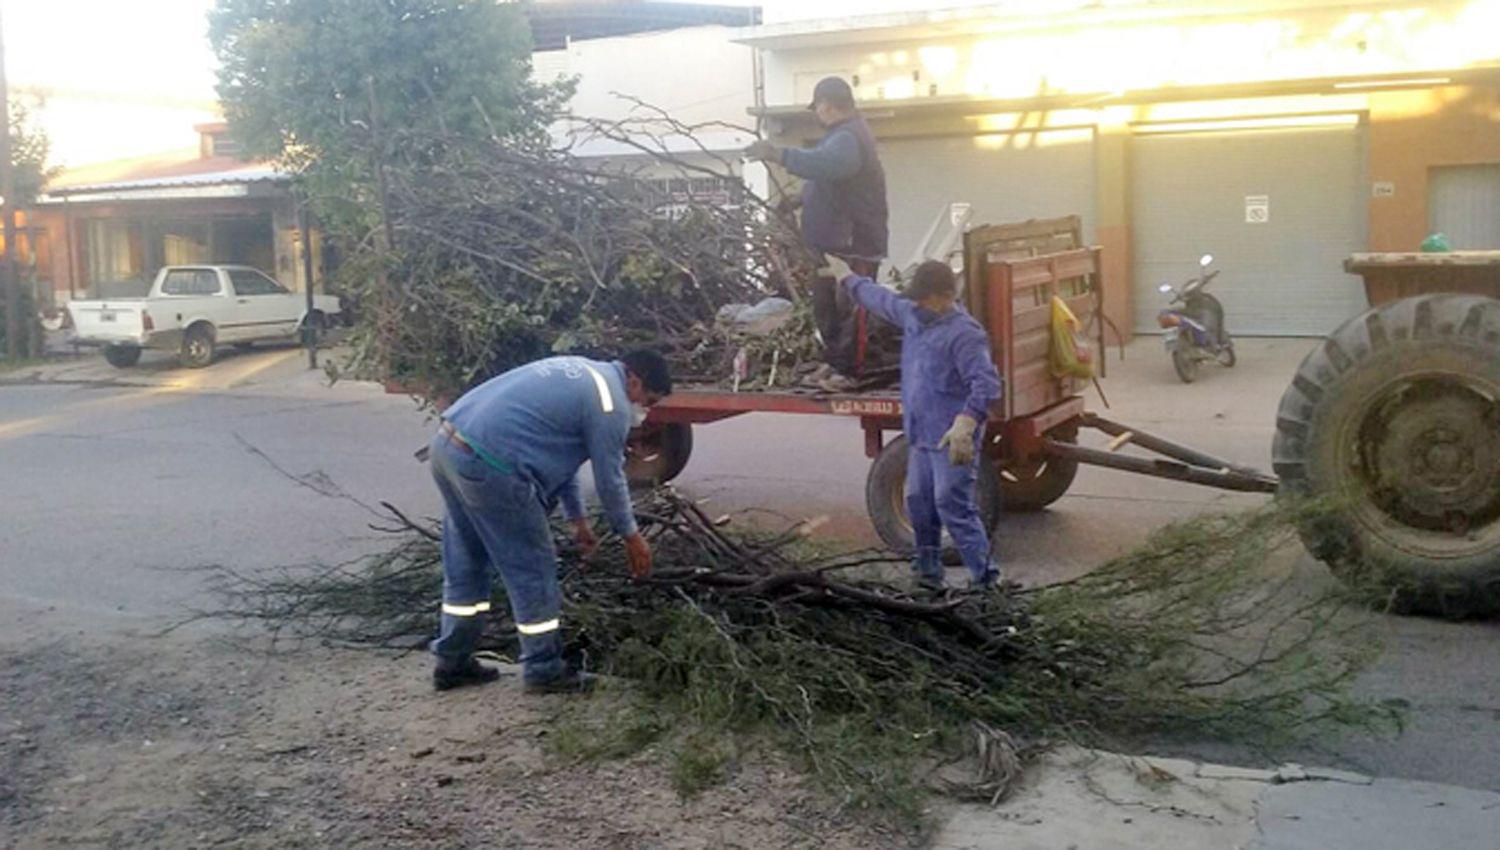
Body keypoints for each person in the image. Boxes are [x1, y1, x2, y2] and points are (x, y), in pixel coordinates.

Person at [426, 350, 672, 693]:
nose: (646, 412)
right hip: (493, 466)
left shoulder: (584, 371)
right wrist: (631, 536)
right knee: (532, 567)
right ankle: (543, 669)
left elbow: (562, 459)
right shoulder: (611, 403)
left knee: (467, 561)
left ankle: (452, 661)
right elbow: (610, 479)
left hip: (448, 448)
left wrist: (578, 520)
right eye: (649, 400)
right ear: (635, 381)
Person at [828, 256, 1003, 590]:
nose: (917, 303)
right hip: (919, 434)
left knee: (953, 504)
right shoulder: (913, 316)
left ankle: (985, 578)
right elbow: (880, 299)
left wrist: (967, 422)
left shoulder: (965, 334)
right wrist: (847, 278)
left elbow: (986, 384)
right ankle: (927, 571)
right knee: (918, 501)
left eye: (924, 298)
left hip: (951, 437)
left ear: (944, 296)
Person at [745, 75, 889, 379]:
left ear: (826, 105)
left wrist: (778, 154)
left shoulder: (847, 137)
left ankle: (852, 370)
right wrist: (801, 198)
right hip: (836, 242)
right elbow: (830, 179)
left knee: (851, 307)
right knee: (828, 309)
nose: (817, 114)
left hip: (853, 244)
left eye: (818, 108)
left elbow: (828, 165)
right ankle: (837, 362)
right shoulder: (842, 136)